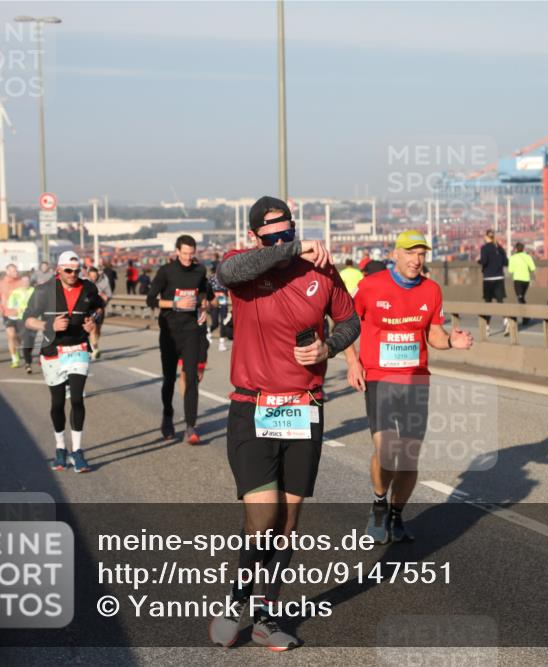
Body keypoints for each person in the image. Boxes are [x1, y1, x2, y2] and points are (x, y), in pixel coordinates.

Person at [208, 196, 359, 651]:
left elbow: (350, 320)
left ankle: (266, 616)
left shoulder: (322, 272)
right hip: (253, 407)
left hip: (304, 407)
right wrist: (291, 250)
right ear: (256, 235)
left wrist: (328, 348)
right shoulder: (244, 268)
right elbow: (227, 273)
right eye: (271, 231)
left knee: (288, 522)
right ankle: (237, 601)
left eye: (287, 227)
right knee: (263, 515)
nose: (281, 235)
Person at [343, 230, 473, 543]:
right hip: (380, 377)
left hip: (416, 379)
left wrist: (451, 342)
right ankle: (378, 504)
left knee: (409, 456)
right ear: (396, 254)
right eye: (411, 253)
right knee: (387, 448)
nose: (416, 260)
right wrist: (352, 362)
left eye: (421, 254)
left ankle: (396, 515)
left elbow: (435, 334)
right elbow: (347, 324)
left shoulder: (431, 290)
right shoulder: (371, 286)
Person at [24, 252, 102, 473]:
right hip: (52, 351)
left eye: (77, 271)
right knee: (57, 403)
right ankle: (60, 448)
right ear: (59, 270)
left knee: (77, 399)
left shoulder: (88, 288)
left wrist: (92, 322)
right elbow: (27, 319)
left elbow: (98, 308)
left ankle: (77, 452)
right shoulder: (43, 290)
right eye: (68, 270)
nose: (73, 275)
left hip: (78, 348)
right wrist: (49, 326)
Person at [147, 235, 212, 444]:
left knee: (191, 378)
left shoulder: (200, 270)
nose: (188, 258)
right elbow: (150, 299)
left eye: (191, 254)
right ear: (177, 252)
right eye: (184, 254)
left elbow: (206, 295)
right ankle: (167, 417)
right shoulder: (166, 272)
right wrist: (175, 303)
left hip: (191, 331)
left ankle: (190, 427)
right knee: (169, 379)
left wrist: (203, 306)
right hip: (169, 333)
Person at [478, 230, 508, 333]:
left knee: (488, 303)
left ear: (486, 237)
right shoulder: (499, 248)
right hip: (499, 278)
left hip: (488, 279)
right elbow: (506, 262)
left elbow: (484, 261)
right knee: (500, 302)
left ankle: (487, 327)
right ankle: (505, 320)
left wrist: (479, 261)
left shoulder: (484, 248)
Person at [6, 275, 36, 373]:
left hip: (33, 319)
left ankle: (28, 356)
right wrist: (16, 309)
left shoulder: (34, 291)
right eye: (24, 281)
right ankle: (28, 363)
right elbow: (10, 305)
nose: (26, 283)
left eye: (27, 281)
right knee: (26, 340)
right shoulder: (16, 292)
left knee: (31, 341)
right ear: (21, 282)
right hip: (21, 319)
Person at [0, 264, 23, 368]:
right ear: (8, 272)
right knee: (11, 335)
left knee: (18, 337)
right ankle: (14, 358)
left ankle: (17, 348)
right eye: (13, 271)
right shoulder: (1, 284)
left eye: (16, 270)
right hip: (7, 313)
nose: (16, 272)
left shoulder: (22, 282)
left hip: (20, 314)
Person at [507, 242, 537, 327]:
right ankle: (525, 317)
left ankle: (526, 316)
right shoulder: (528, 257)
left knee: (520, 298)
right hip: (526, 280)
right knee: (521, 297)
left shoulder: (513, 258)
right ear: (523, 249)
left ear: (516, 249)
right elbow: (533, 268)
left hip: (517, 280)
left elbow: (510, 271)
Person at [87, 266, 113, 360]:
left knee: (98, 330)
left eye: (95, 276)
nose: (93, 278)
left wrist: (102, 295)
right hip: (90, 309)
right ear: (89, 276)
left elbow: (109, 296)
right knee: (92, 328)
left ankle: (93, 344)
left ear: (98, 274)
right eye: (91, 276)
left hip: (100, 309)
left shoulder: (104, 282)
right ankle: (95, 349)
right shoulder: (86, 283)